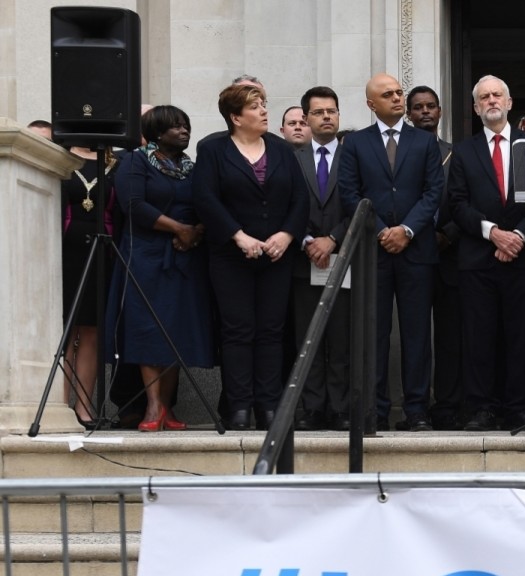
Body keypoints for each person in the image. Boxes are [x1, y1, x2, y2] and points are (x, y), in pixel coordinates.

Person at [193, 83, 309, 431]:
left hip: (276, 255)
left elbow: (299, 198)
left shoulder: (281, 149)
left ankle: (269, 406)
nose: (263, 111)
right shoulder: (213, 149)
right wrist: (238, 236)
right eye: (255, 106)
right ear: (235, 116)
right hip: (231, 256)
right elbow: (205, 199)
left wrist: (286, 235)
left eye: (263, 105)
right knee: (237, 331)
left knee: (272, 331)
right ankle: (239, 407)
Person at [338, 73, 445, 432]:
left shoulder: (425, 142)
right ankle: (375, 410)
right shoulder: (355, 143)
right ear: (372, 104)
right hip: (374, 252)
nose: (398, 98)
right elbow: (350, 194)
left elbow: (434, 192)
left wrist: (408, 230)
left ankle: (416, 410)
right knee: (374, 334)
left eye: (399, 92)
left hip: (417, 251)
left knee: (417, 335)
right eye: (389, 94)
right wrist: (383, 230)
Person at [448, 75, 525, 431]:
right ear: (476, 108)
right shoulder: (462, 151)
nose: (491, 101)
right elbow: (457, 204)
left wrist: (518, 236)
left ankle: (519, 407)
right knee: (479, 337)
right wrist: (493, 234)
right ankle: (482, 409)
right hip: (479, 260)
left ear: (509, 102)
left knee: (522, 336)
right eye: (484, 97)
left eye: (497, 95)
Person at [108, 105, 213, 431]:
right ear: (156, 131)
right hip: (146, 257)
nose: (184, 131)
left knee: (175, 331)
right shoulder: (135, 162)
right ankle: (152, 406)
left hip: (184, 259)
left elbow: (209, 203)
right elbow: (133, 204)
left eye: (186, 125)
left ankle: (167, 407)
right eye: (176, 126)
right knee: (148, 329)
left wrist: (194, 231)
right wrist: (177, 229)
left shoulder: (190, 167)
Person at [289, 86, 351, 431]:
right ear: (306, 118)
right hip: (303, 261)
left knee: (341, 340)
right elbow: (286, 205)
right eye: (319, 112)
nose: (327, 116)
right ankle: (311, 409)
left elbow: (358, 202)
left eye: (332, 111)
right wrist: (309, 240)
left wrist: (333, 239)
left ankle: (340, 409)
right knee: (307, 338)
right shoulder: (291, 158)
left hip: (343, 262)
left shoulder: (352, 157)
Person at [407, 85, 463, 430]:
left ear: (440, 112)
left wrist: (448, 234)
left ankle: (448, 407)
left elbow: (466, 199)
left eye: (431, 106)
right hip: (410, 253)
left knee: (450, 336)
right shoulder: (398, 152)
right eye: (418, 107)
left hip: (449, 254)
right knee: (414, 336)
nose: (425, 112)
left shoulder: (456, 154)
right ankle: (415, 408)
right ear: (409, 114)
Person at [60, 141, 118, 428]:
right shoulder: (58, 157)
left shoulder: (114, 162)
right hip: (64, 253)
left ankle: (84, 407)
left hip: (101, 253)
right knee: (67, 330)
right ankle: (58, 406)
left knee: (92, 331)